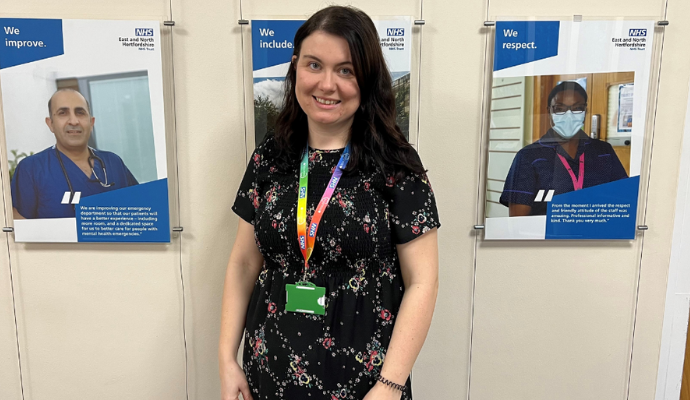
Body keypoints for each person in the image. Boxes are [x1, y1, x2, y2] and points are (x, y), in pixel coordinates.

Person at [219, 6, 440, 400]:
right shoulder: (270, 156)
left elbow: (422, 282)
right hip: (269, 374)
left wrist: (390, 386)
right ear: (295, 67)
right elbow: (243, 263)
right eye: (314, 65)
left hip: (366, 385)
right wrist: (226, 358)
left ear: (367, 79)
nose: (327, 84)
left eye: (346, 70)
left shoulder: (396, 164)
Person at [499, 81, 628, 216]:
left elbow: (622, 199)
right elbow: (518, 221)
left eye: (577, 108)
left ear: (586, 111)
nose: (569, 115)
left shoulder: (604, 151)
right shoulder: (529, 156)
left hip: (596, 232)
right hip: (548, 235)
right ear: (549, 111)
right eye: (560, 109)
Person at [11, 89, 138, 219]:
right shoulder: (32, 168)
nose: (74, 121)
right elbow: (19, 226)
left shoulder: (113, 163)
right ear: (51, 124)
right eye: (63, 113)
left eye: (80, 113)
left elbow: (139, 209)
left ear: (91, 122)